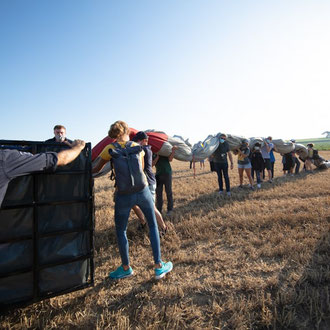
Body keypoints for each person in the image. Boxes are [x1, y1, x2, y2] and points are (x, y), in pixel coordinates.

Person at [92, 121, 172, 280]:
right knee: (153, 225)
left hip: (123, 194)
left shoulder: (110, 149)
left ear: (113, 134)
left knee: (121, 231)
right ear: (127, 131)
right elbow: (140, 170)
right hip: (142, 192)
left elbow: (97, 168)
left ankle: (126, 268)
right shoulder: (138, 146)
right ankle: (158, 266)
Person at [0, 139, 85, 207]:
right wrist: (78, 148)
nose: (59, 134)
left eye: (61, 132)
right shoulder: (6, 160)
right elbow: (60, 159)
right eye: (57, 131)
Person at [131, 131, 168, 235]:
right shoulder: (146, 149)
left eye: (137, 142)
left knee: (151, 207)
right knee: (134, 203)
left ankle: (163, 228)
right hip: (143, 183)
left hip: (148, 183)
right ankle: (143, 222)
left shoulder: (144, 150)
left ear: (144, 141)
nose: (135, 144)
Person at [153, 145, 177, 216]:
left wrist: (173, 151)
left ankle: (170, 209)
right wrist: (157, 156)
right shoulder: (152, 153)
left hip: (167, 173)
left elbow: (170, 159)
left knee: (169, 192)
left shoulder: (165, 151)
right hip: (158, 175)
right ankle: (159, 210)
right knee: (158, 193)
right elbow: (152, 164)